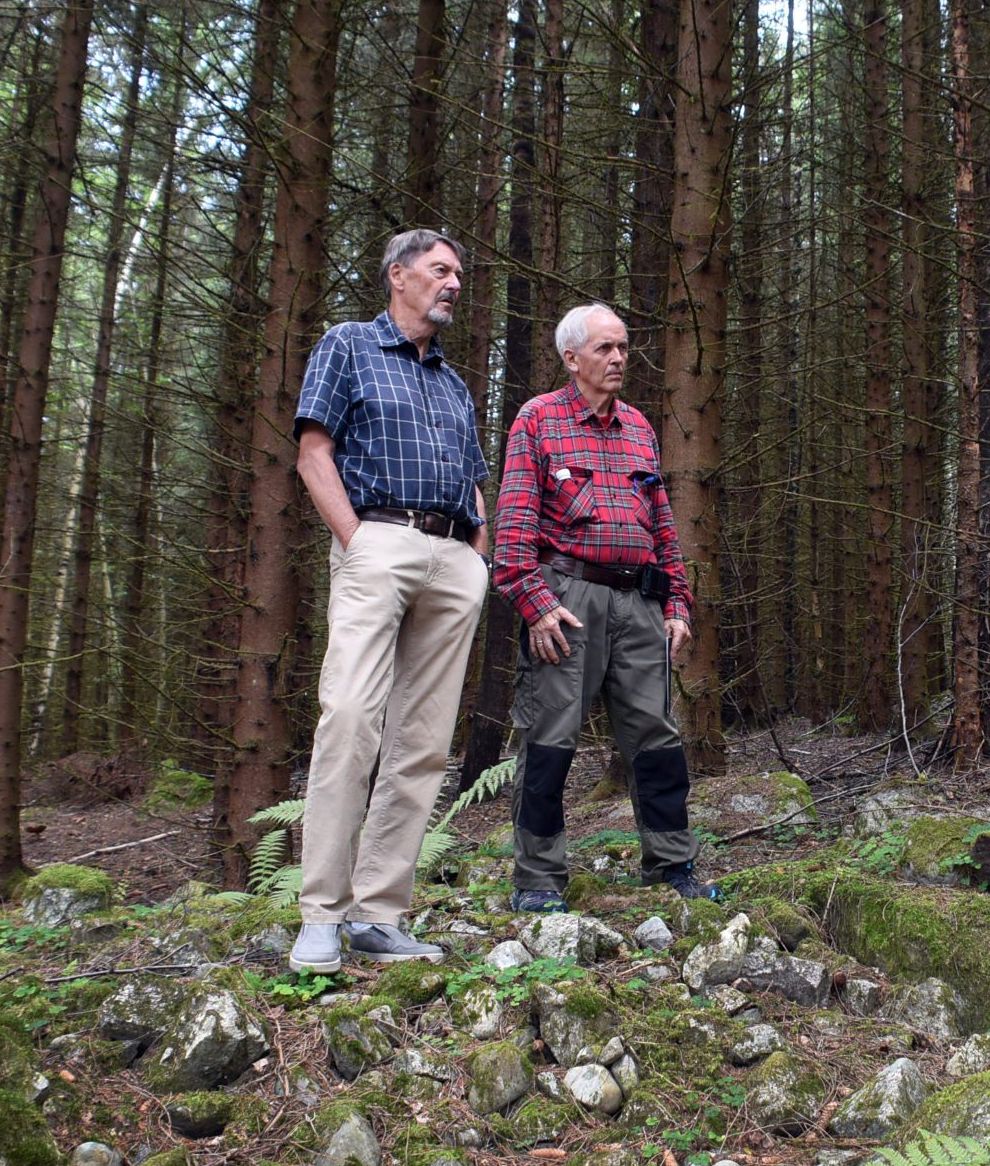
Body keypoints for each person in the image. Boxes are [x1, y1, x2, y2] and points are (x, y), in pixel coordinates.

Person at [285, 229, 491, 973]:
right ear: (398, 277)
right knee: (349, 717)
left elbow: (473, 478)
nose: (454, 283)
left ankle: (379, 913)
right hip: (377, 539)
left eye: (459, 272)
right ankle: (321, 915)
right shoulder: (347, 345)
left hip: (453, 557)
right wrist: (355, 539)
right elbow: (314, 451)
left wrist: (477, 558)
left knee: (424, 741)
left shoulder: (455, 384)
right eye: (441, 269)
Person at [491, 303, 707, 913]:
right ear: (572, 358)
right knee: (549, 739)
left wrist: (677, 604)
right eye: (605, 348)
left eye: (623, 347)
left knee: (657, 739)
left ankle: (671, 867)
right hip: (567, 601)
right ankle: (538, 881)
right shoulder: (537, 421)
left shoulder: (639, 426)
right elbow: (511, 533)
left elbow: (663, 524)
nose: (618, 358)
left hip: (640, 603)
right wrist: (536, 606)